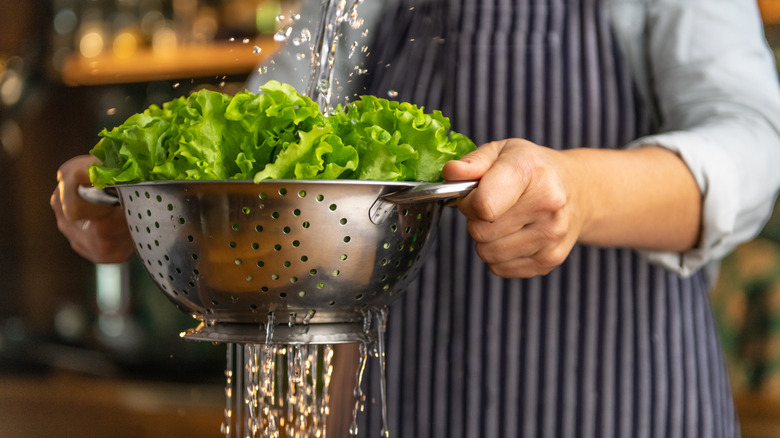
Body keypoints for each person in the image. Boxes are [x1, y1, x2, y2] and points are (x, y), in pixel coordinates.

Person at [52, 0, 780, 436]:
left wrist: (581, 191)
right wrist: (142, 191)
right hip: (401, 408)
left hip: (621, 408)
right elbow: (276, 131)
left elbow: (754, 147)